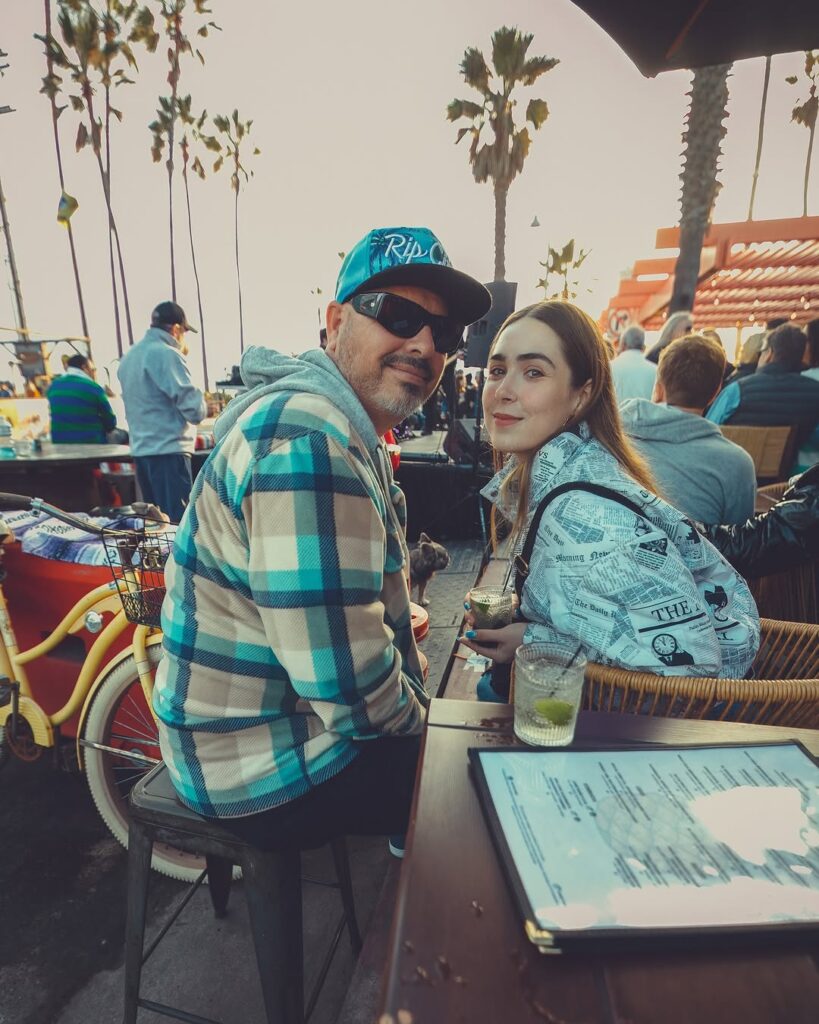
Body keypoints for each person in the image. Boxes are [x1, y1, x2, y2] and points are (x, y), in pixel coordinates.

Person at [152, 226, 491, 854]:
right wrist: (428, 734)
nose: (424, 344)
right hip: (252, 764)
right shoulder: (312, 439)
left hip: (244, 732)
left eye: (444, 335)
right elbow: (355, 696)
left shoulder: (332, 424)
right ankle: (415, 931)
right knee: (486, 785)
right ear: (335, 321)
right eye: (399, 314)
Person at [458, 301, 759, 691]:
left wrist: (535, 639)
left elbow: (693, 671)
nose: (503, 390)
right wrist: (531, 616)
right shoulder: (573, 469)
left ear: (581, 396)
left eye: (533, 372)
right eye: (498, 370)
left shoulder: (585, 516)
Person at [620, 334, 756, 524]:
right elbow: (739, 540)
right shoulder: (738, 464)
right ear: (715, 393)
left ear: (659, 387)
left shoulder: (615, 433)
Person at [117, 301, 206, 522]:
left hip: (142, 454)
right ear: (176, 329)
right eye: (184, 332)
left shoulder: (130, 357)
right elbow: (195, 411)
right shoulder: (167, 355)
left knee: (157, 526)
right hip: (169, 453)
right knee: (179, 527)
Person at [706, 324, 819, 454]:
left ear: (769, 353)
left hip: (734, 467)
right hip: (788, 472)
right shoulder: (815, 391)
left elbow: (708, 428)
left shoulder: (737, 390)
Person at [47, 353, 117, 444]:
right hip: (91, 444)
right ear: (84, 367)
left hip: (59, 443)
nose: (93, 372)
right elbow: (110, 422)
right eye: (93, 369)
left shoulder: (54, 386)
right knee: (122, 436)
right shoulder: (93, 387)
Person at [609, 324, 657, 402]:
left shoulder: (609, 367)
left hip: (617, 414)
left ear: (623, 344)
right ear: (642, 346)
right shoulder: (655, 370)